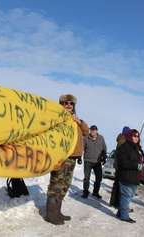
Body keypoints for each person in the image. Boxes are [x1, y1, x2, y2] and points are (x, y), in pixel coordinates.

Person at [45, 94, 89, 225]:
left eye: (71, 103)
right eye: (65, 103)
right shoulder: (57, 118)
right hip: (61, 157)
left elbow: (86, 132)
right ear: (61, 105)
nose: (68, 105)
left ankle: (57, 211)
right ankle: (51, 214)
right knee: (56, 185)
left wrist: (79, 122)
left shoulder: (76, 121)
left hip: (72, 158)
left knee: (65, 185)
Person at [116, 129, 143, 223]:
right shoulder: (124, 147)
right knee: (126, 196)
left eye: (137, 136)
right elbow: (123, 163)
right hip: (126, 176)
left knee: (130, 196)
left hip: (134, 177)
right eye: (134, 136)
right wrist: (136, 165)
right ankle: (124, 216)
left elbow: (139, 162)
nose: (136, 138)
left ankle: (120, 212)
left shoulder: (137, 148)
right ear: (129, 136)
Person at [82, 125, 107, 199]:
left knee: (99, 178)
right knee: (86, 178)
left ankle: (95, 192)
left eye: (94, 130)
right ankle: (85, 192)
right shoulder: (86, 138)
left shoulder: (101, 138)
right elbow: (82, 148)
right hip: (88, 161)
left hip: (97, 162)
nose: (93, 131)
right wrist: (79, 156)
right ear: (90, 130)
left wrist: (104, 157)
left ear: (97, 131)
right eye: (92, 130)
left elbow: (104, 149)